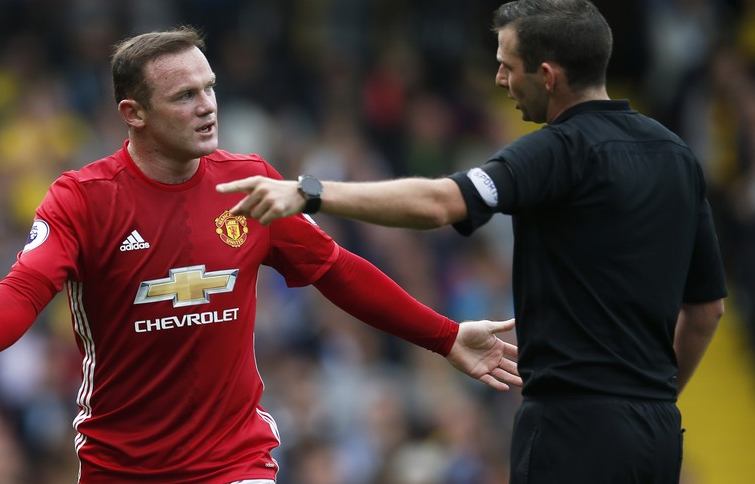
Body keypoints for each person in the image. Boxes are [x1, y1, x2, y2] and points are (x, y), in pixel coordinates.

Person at [0, 25, 520, 484]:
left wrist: (444, 337)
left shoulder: (252, 183)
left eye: (210, 88)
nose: (207, 106)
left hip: (235, 460)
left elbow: (335, 270)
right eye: (184, 96)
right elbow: (24, 288)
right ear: (134, 113)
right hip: (120, 465)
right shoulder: (83, 199)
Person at [216, 1, 727, 482]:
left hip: (574, 427)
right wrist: (651, 403)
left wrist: (311, 192)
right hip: (658, 433)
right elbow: (706, 311)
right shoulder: (676, 155)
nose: (499, 78)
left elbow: (442, 203)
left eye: (507, 65)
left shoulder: (555, 150)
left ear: (547, 76)